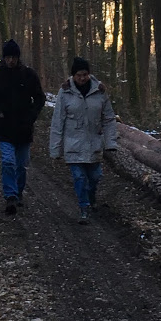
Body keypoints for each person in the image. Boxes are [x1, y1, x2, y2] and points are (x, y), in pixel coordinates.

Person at [49, 57, 117, 225]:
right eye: (79, 75)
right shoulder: (65, 92)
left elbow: (109, 118)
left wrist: (110, 142)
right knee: (79, 177)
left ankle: (91, 197)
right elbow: (58, 122)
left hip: (94, 144)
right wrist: (55, 149)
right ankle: (83, 207)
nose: (82, 78)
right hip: (73, 144)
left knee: (95, 176)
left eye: (85, 74)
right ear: (73, 75)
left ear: (89, 74)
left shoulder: (99, 91)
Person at [0, 39, 45, 215]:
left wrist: (31, 116)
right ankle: (10, 195)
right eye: (8, 57)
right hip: (4, 128)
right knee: (8, 161)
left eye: (14, 57)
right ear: (4, 57)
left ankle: (18, 192)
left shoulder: (29, 75)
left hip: (24, 128)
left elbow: (40, 98)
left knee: (22, 165)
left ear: (18, 57)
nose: (11, 60)